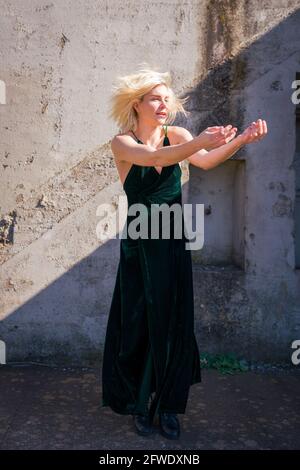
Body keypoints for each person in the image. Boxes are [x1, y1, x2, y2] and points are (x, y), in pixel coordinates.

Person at [101, 64, 268, 440]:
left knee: (174, 323)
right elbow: (158, 159)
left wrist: (240, 140)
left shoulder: (176, 133)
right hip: (141, 246)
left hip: (173, 242)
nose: (163, 104)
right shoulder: (122, 143)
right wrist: (200, 141)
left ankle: (168, 406)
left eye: (166, 98)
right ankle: (140, 405)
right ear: (137, 104)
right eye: (155, 99)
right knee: (141, 323)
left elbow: (205, 161)